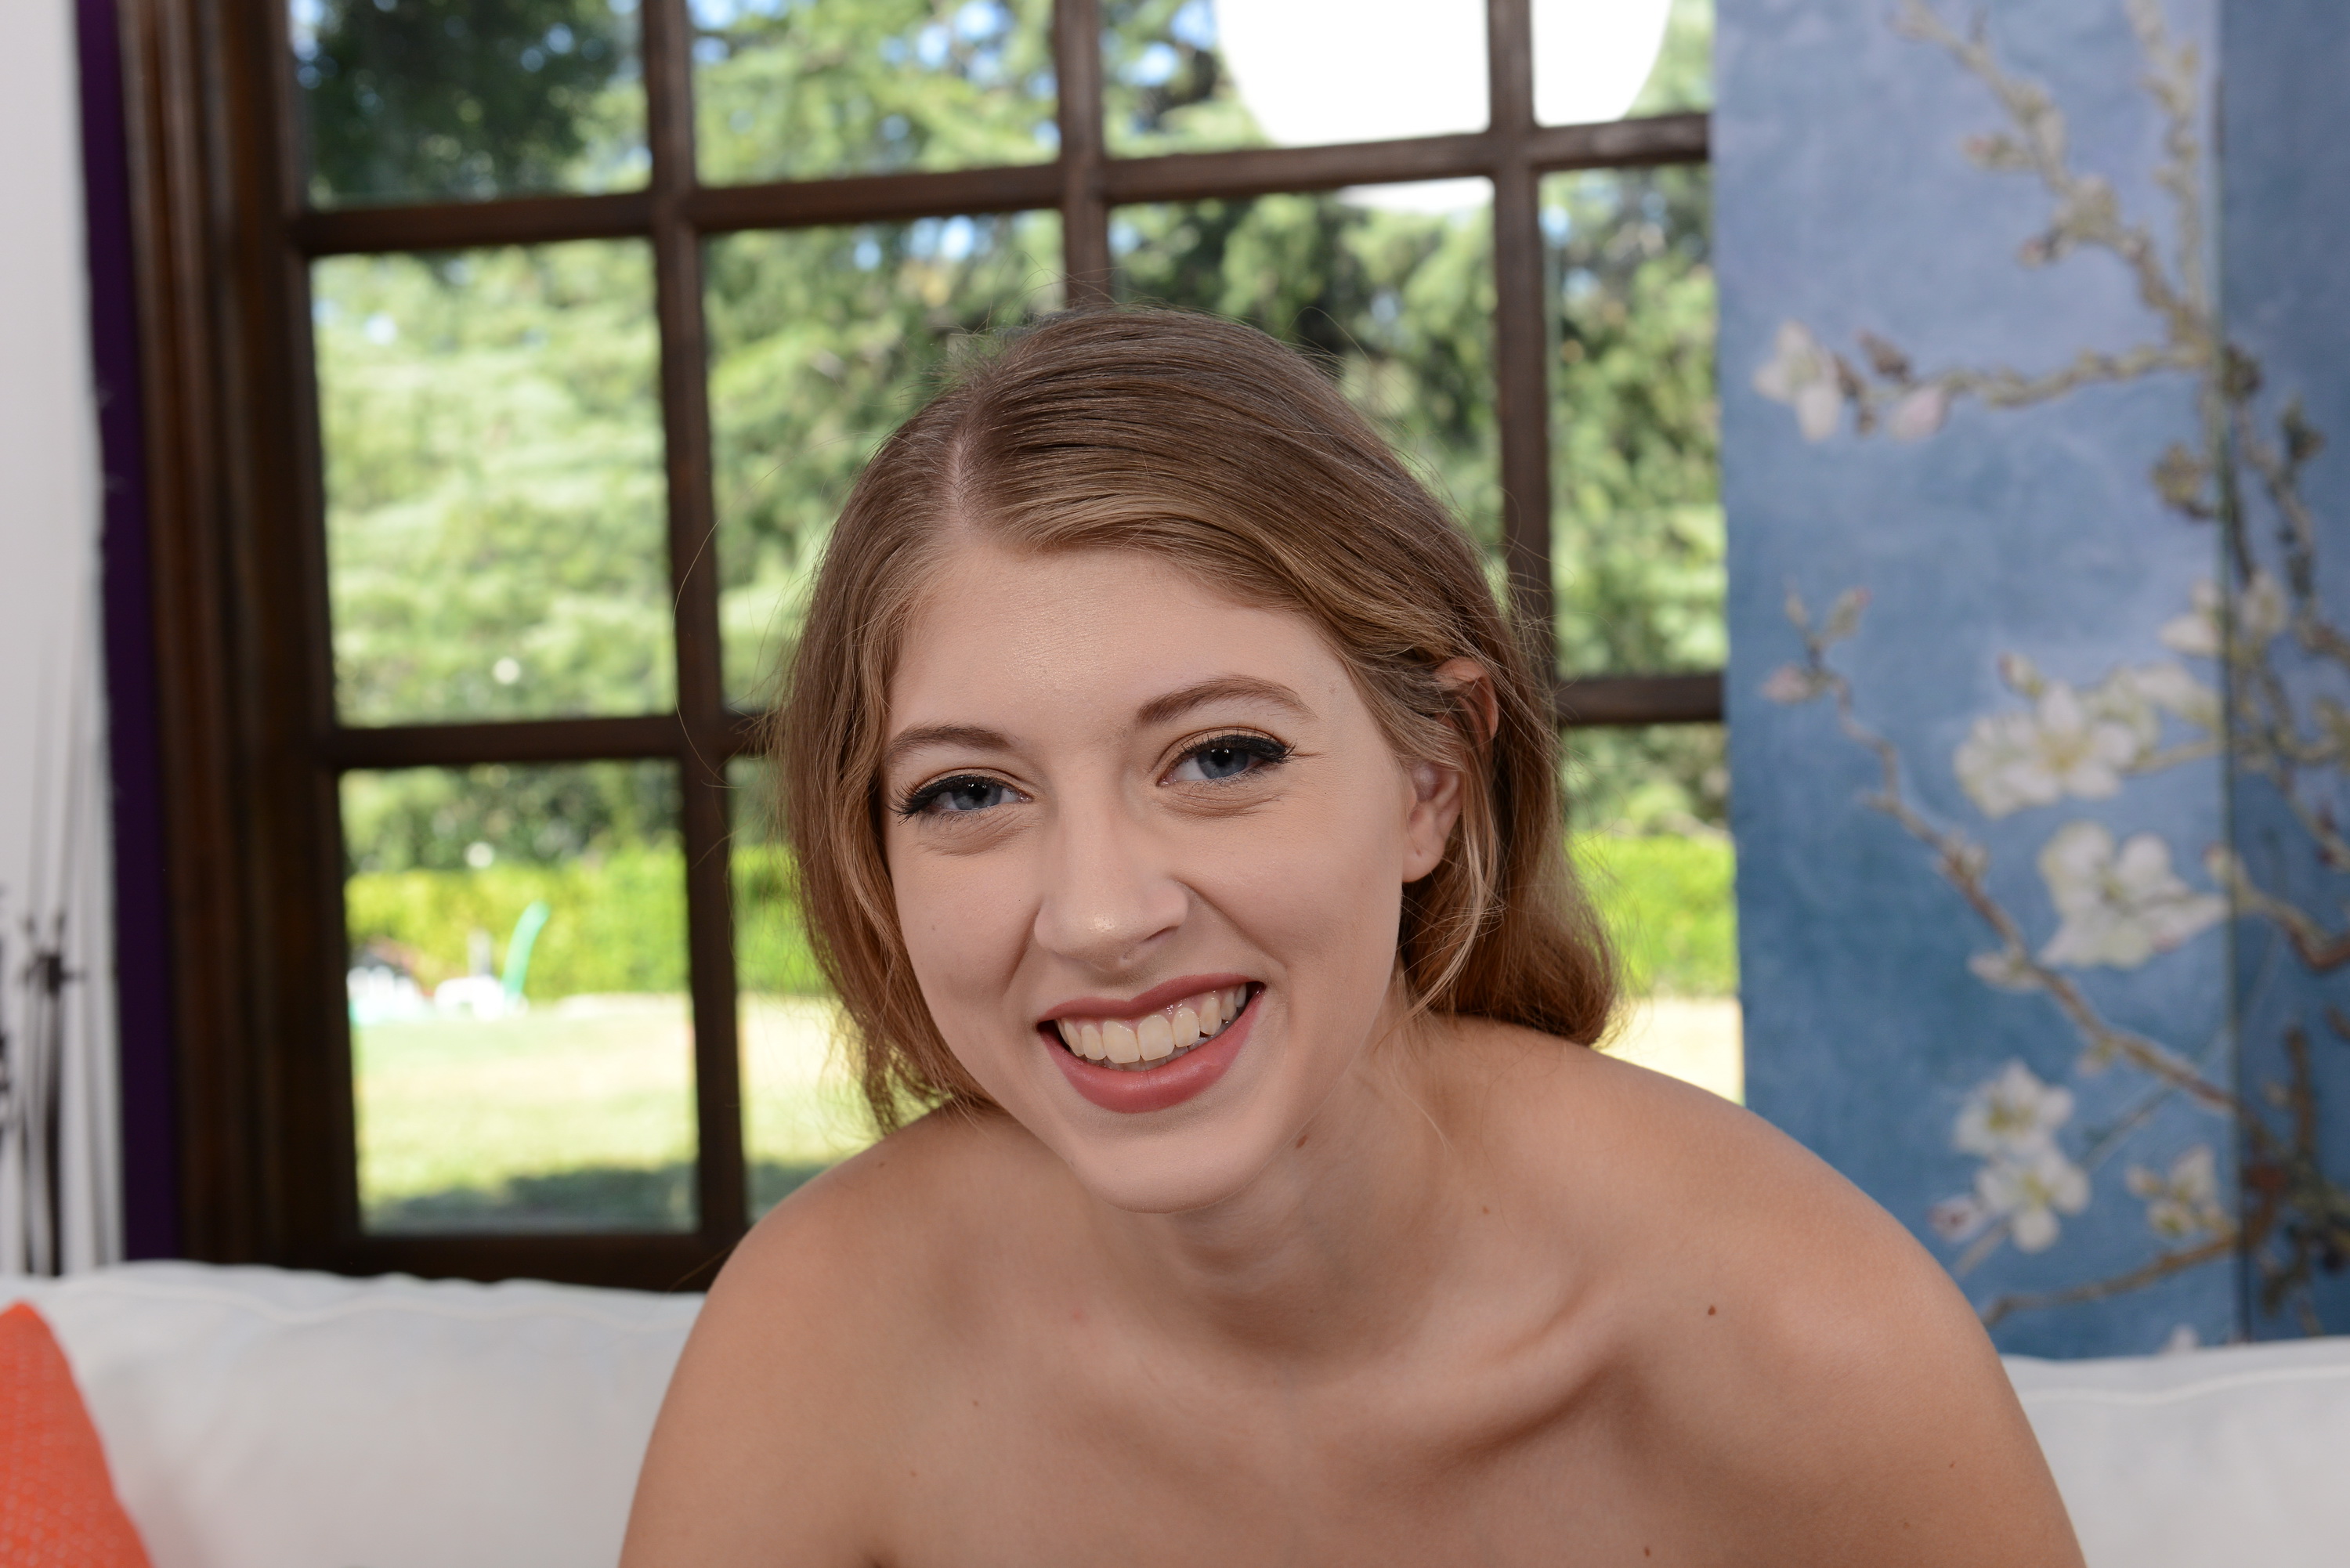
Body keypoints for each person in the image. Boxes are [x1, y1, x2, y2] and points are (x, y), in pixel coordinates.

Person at [621, 309, 2083, 1566]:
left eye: (1222, 756)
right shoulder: (820, 1335)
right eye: (968, 791)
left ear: (1431, 782)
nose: (1102, 913)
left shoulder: (1807, 1336)